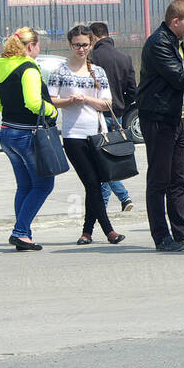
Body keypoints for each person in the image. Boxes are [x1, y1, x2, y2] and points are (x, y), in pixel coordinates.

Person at [138, 0, 184, 252]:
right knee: (159, 179)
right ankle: (161, 235)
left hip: (178, 118)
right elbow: (180, 78)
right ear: (175, 21)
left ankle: (182, 231)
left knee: (178, 177)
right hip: (158, 117)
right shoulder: (159, 43)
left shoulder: (183, 42)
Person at [50, 25, 124, 245]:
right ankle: (109, 231)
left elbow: (107, 103)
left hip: (96, 134)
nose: (80, 49)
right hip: (73, 135)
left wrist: (87, 100)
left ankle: (87, 232)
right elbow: (51, 99)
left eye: (84, 45)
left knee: (97, 183)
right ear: (70, 45)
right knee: (92, 183)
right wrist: (69, 101)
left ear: (91, 44)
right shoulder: (61, 71)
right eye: (76, 45)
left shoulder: (98, 72)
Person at [0, 26, 57, 250]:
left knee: (25, 185)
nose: (38, 50)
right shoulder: (29, 68)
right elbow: (33, 102)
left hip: (7, 132)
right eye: (38, 46)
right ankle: (19, 231)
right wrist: (53, 111)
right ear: (30, 46)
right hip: (27, 133)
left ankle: (24, 233)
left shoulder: (1, 67)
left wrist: (12, 110)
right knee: (44, 184)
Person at [88, 21, 136, 213]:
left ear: (94, 37)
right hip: (118, 115)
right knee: (109, 159)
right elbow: (133, 90)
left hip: (97, 115)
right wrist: (122, 105)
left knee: (102, 162)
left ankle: (104, 208)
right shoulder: (124, 58)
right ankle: (124, 198)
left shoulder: (91, 58)